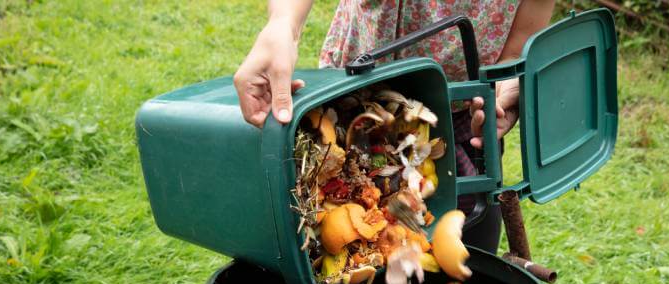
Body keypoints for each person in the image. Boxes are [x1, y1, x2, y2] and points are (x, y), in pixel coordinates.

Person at [233, 0, 554, 254]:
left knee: (465, 245)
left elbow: (520, 43)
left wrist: (507, 80)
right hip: (353, 104)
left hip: (464, 116)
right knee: (339, 237)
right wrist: (283, 25)